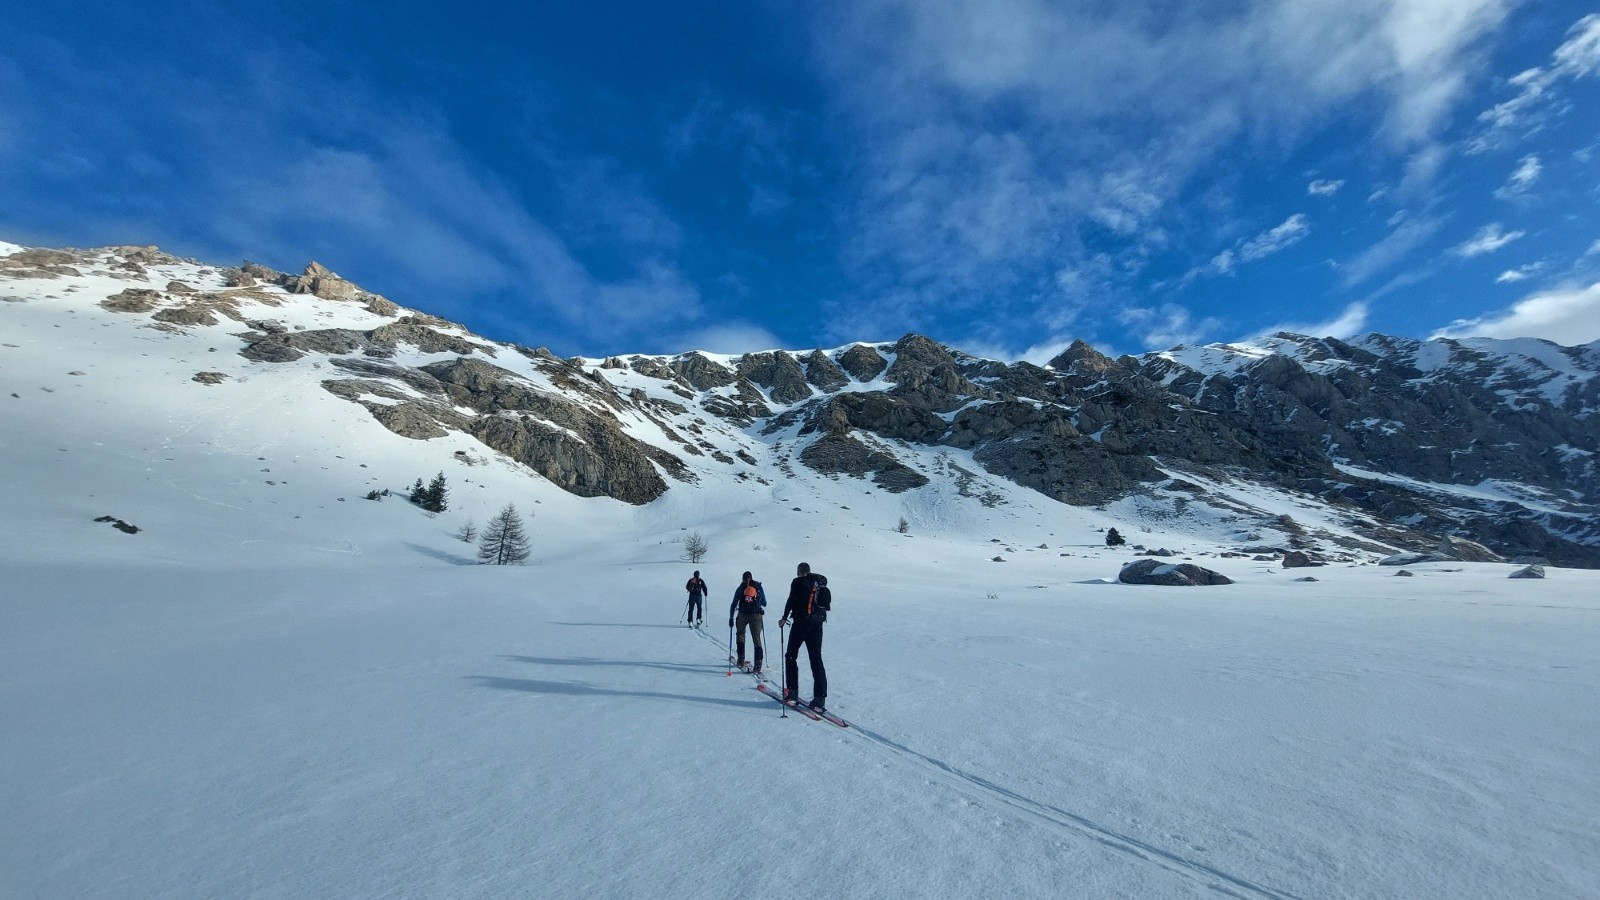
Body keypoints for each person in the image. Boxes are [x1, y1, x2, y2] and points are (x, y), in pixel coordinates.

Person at [779, 561, 829, 711]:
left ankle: (792, 691)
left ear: (799, 572)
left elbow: (791, 600)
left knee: (791, 655)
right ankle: (820, 697)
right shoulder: (819, 583)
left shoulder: (797, 582)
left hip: (801, 624)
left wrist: (784, 617)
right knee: (816, 658)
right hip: (817, 625)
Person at [728, 571, 767, 672]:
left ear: (743, 578)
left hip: (742, 615)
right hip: (756, 615)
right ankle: (758, 664)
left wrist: (731, 618)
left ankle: (741, 659)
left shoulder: (741, 587)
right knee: (756, 638)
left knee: (740, 634)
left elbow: (734, 603)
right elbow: (764, 603)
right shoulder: (758, 586)